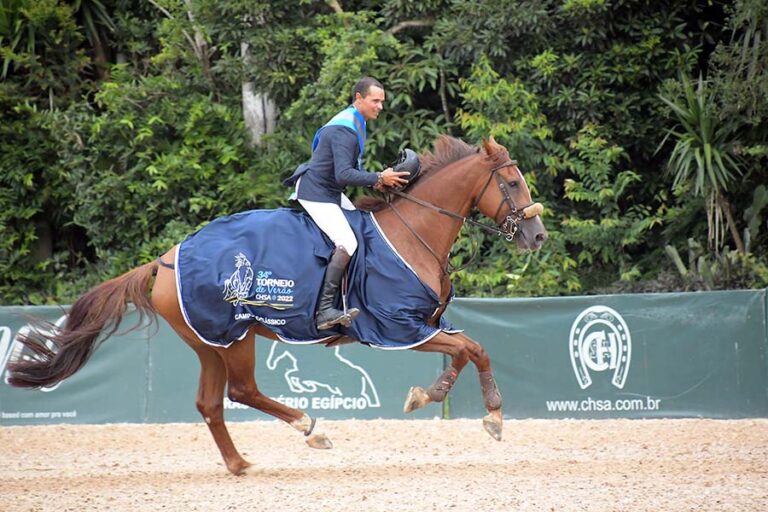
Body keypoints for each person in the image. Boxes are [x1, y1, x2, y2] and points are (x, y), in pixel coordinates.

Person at [284, 77, 410, 330]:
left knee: (362, 229)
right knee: (348, 242)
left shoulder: (355, 121)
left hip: (330, 191)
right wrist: (377, 177)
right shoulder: (345, 129)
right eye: (375, 101)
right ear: (358, 98)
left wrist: (376, 182)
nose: (380, 107)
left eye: (382, 102)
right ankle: (324, 311)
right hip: (317, 193)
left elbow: (346, 173)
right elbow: (343, 174)